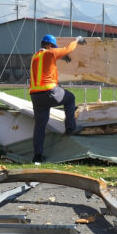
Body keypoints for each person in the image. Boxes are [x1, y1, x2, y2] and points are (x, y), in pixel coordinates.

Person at [29, 34, 86, 163]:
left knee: (40, 126)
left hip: (36, 95)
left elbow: (46, 64)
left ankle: (37, 157)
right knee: (70, 98)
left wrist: (59, 57)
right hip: (50, 92)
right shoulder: (50, 53)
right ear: (49, 45)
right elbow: (68, 48)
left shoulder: (35, 56)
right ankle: (70, 128)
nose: (54, 48)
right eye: (53, 46)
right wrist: (77, 40)